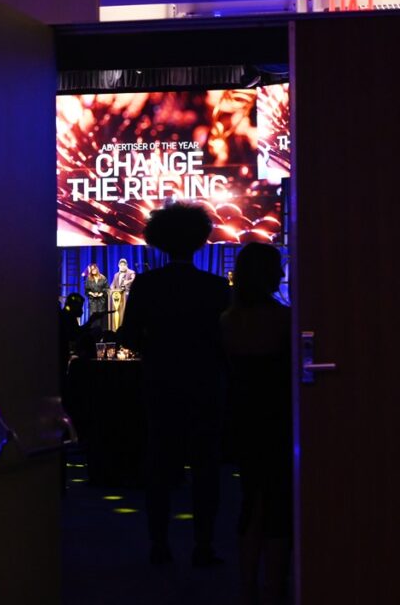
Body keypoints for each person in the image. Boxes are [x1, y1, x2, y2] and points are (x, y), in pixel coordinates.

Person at [118, 203, 230, 567]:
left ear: (159, 239)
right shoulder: (216, 287)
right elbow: (226, 339)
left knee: (159, 465)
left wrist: (154, 349)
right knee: (205, 467)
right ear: (199, 239)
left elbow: (128, 336)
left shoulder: (147, 285)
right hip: (205, 384)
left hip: (160, 382)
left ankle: (159, 544)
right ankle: (204, 545)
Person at [220, 244, 291, 605]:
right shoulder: (284, 320)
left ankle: (247, 587)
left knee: (251, 499)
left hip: (242, 419)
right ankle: (273, 587)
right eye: (277, 268)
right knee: (278, 502)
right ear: (267, 274)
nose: (281, 273)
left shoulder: (227, 320)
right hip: (278, 419)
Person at [109, 258, 137, 329]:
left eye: (124, 265)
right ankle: (117, 327)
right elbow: (113, 284)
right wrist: (111, 289)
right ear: (118, 266)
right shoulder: (116, 275)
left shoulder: (131, 272)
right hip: (118, 297)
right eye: (121, 265)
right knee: (118, 312)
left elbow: (134, 279)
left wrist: (128, 281)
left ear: (126, 265)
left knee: (126, 313)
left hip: (127, 296)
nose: (122, 266)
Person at [83, 263, 108, 333]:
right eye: (92, 269)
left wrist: (101, 293)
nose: (93, 270)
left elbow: (106, 288)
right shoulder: (88, 279)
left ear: (97, 269)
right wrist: (92, 293)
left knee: (101, 318)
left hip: (101, 301)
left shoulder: (103, 278)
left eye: (94, 269)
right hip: (92, 301)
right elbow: (86, 290)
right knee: (93, 318)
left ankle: (102, 334)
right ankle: (93, 334)